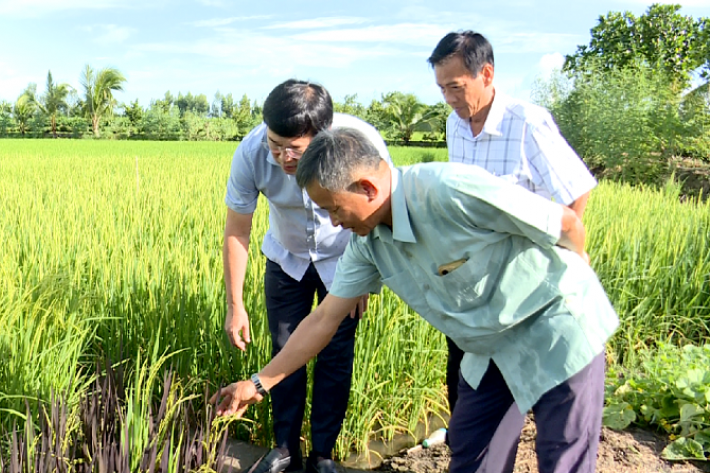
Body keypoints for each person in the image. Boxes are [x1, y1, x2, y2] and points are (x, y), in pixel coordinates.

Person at [214, 128, 619, 473]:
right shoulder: (367, 245)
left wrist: (575, 287)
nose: (334, 222)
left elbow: (566, 223)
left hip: (555, 327)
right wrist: (258, 384)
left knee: (561, 457)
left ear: (368, 188)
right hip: (489, 348)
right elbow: (324, 319)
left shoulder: (450, 190)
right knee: (472, 455)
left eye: (335, 209)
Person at [223, 80, 392, 473]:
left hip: (345, 258)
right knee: (285, 350)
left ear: (323, 136)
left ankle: (323, 455)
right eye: (274, 143)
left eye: (293, 149)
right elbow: (237, 229)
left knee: (335, 357)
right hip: (287, 258)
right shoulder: (251, 153)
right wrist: (236, 305)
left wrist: (363, 275)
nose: (282, 156)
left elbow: (381, 209)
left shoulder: (361, 144)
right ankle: (284, 449)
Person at [428, 30, 598, 418]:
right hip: (468, 276)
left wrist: (564, 248)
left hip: (520, 277)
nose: (450, 99)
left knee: (520, 375)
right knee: (463, 368)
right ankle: (465, 443)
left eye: (456, 87)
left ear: (486, 74)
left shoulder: (528, 123)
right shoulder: (455, 124)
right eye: (442, 89)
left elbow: (576, 187)